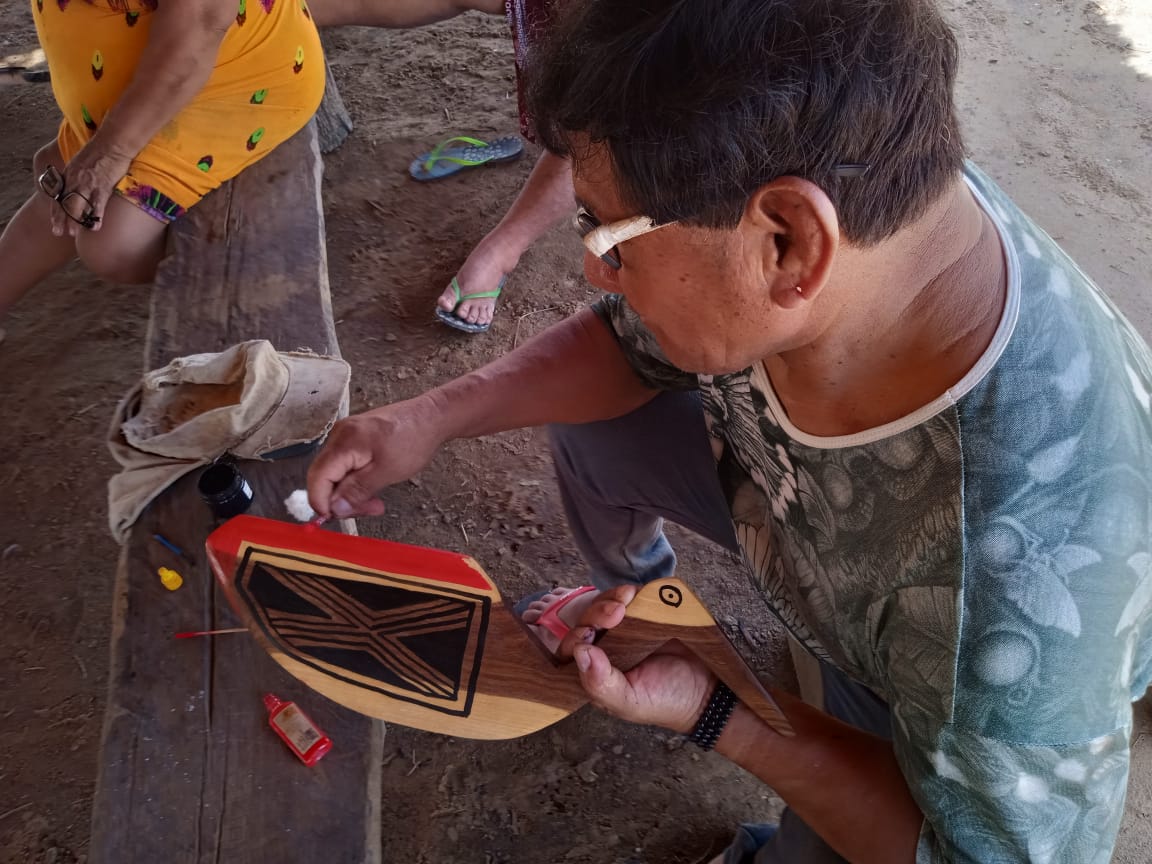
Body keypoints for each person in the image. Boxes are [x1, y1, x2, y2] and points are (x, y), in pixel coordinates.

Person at [306, 0, 1152, 861]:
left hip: (910, 672)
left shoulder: (1006, 589)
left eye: (611, 232)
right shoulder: (874, 192)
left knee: (819, 842)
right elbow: (624, 349)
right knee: (599, 423)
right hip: (828, 558)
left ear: (789, 241)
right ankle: (656, 604)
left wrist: (722, 713)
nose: (595, 265)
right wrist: (430, 416)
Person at [0, 0, 328, 344]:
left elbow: (202, 21)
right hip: (147, 75)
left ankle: (234, 289)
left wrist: (110, 151)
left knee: (112, 243)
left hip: (233, 74)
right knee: (61, 181)